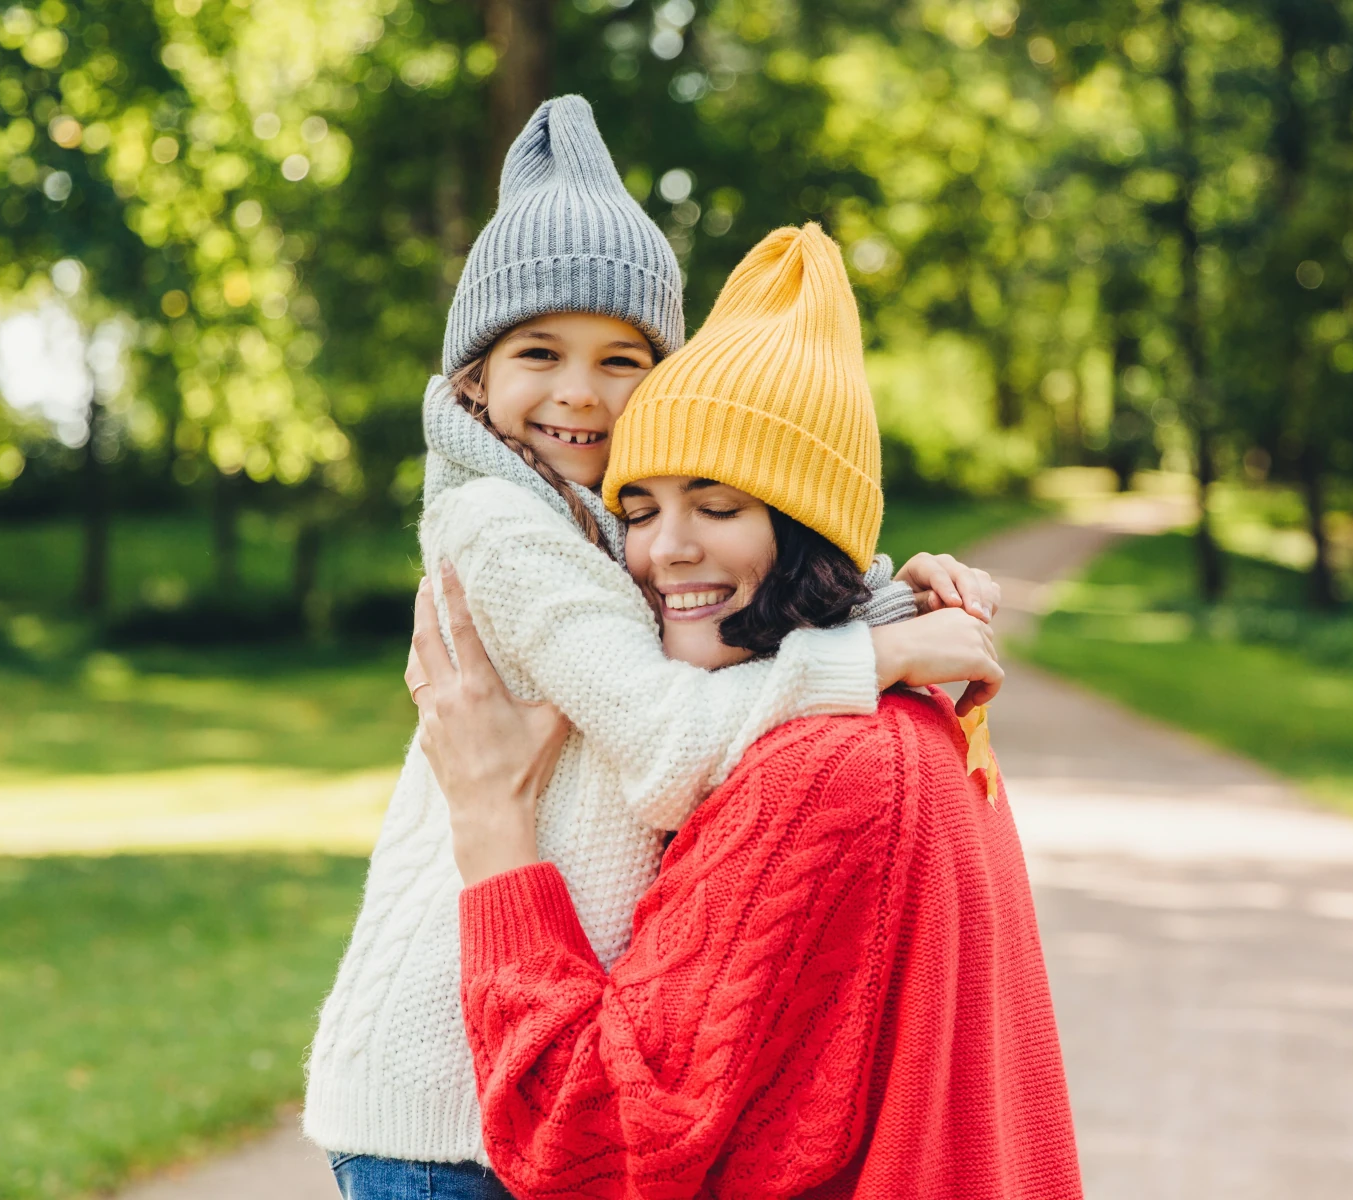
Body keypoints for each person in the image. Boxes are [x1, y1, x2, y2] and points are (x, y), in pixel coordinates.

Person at [303, 98, 1004, 1199]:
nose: (580, 391)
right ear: (473, 381)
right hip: (446, 1106)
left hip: (518, 1067)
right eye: (539, 352)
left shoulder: (598, 523)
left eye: (621, 359)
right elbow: (676, 740)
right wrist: (883, 657)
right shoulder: (501, 531)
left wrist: (879, 590)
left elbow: (733, 623)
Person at [411, 225, 1083, 1199]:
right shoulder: (917, 719)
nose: (666, 549)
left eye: (719, 507)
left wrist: (491, 829)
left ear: (807, 528)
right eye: (638, 510)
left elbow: (588, 1135)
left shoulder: (818, 770)